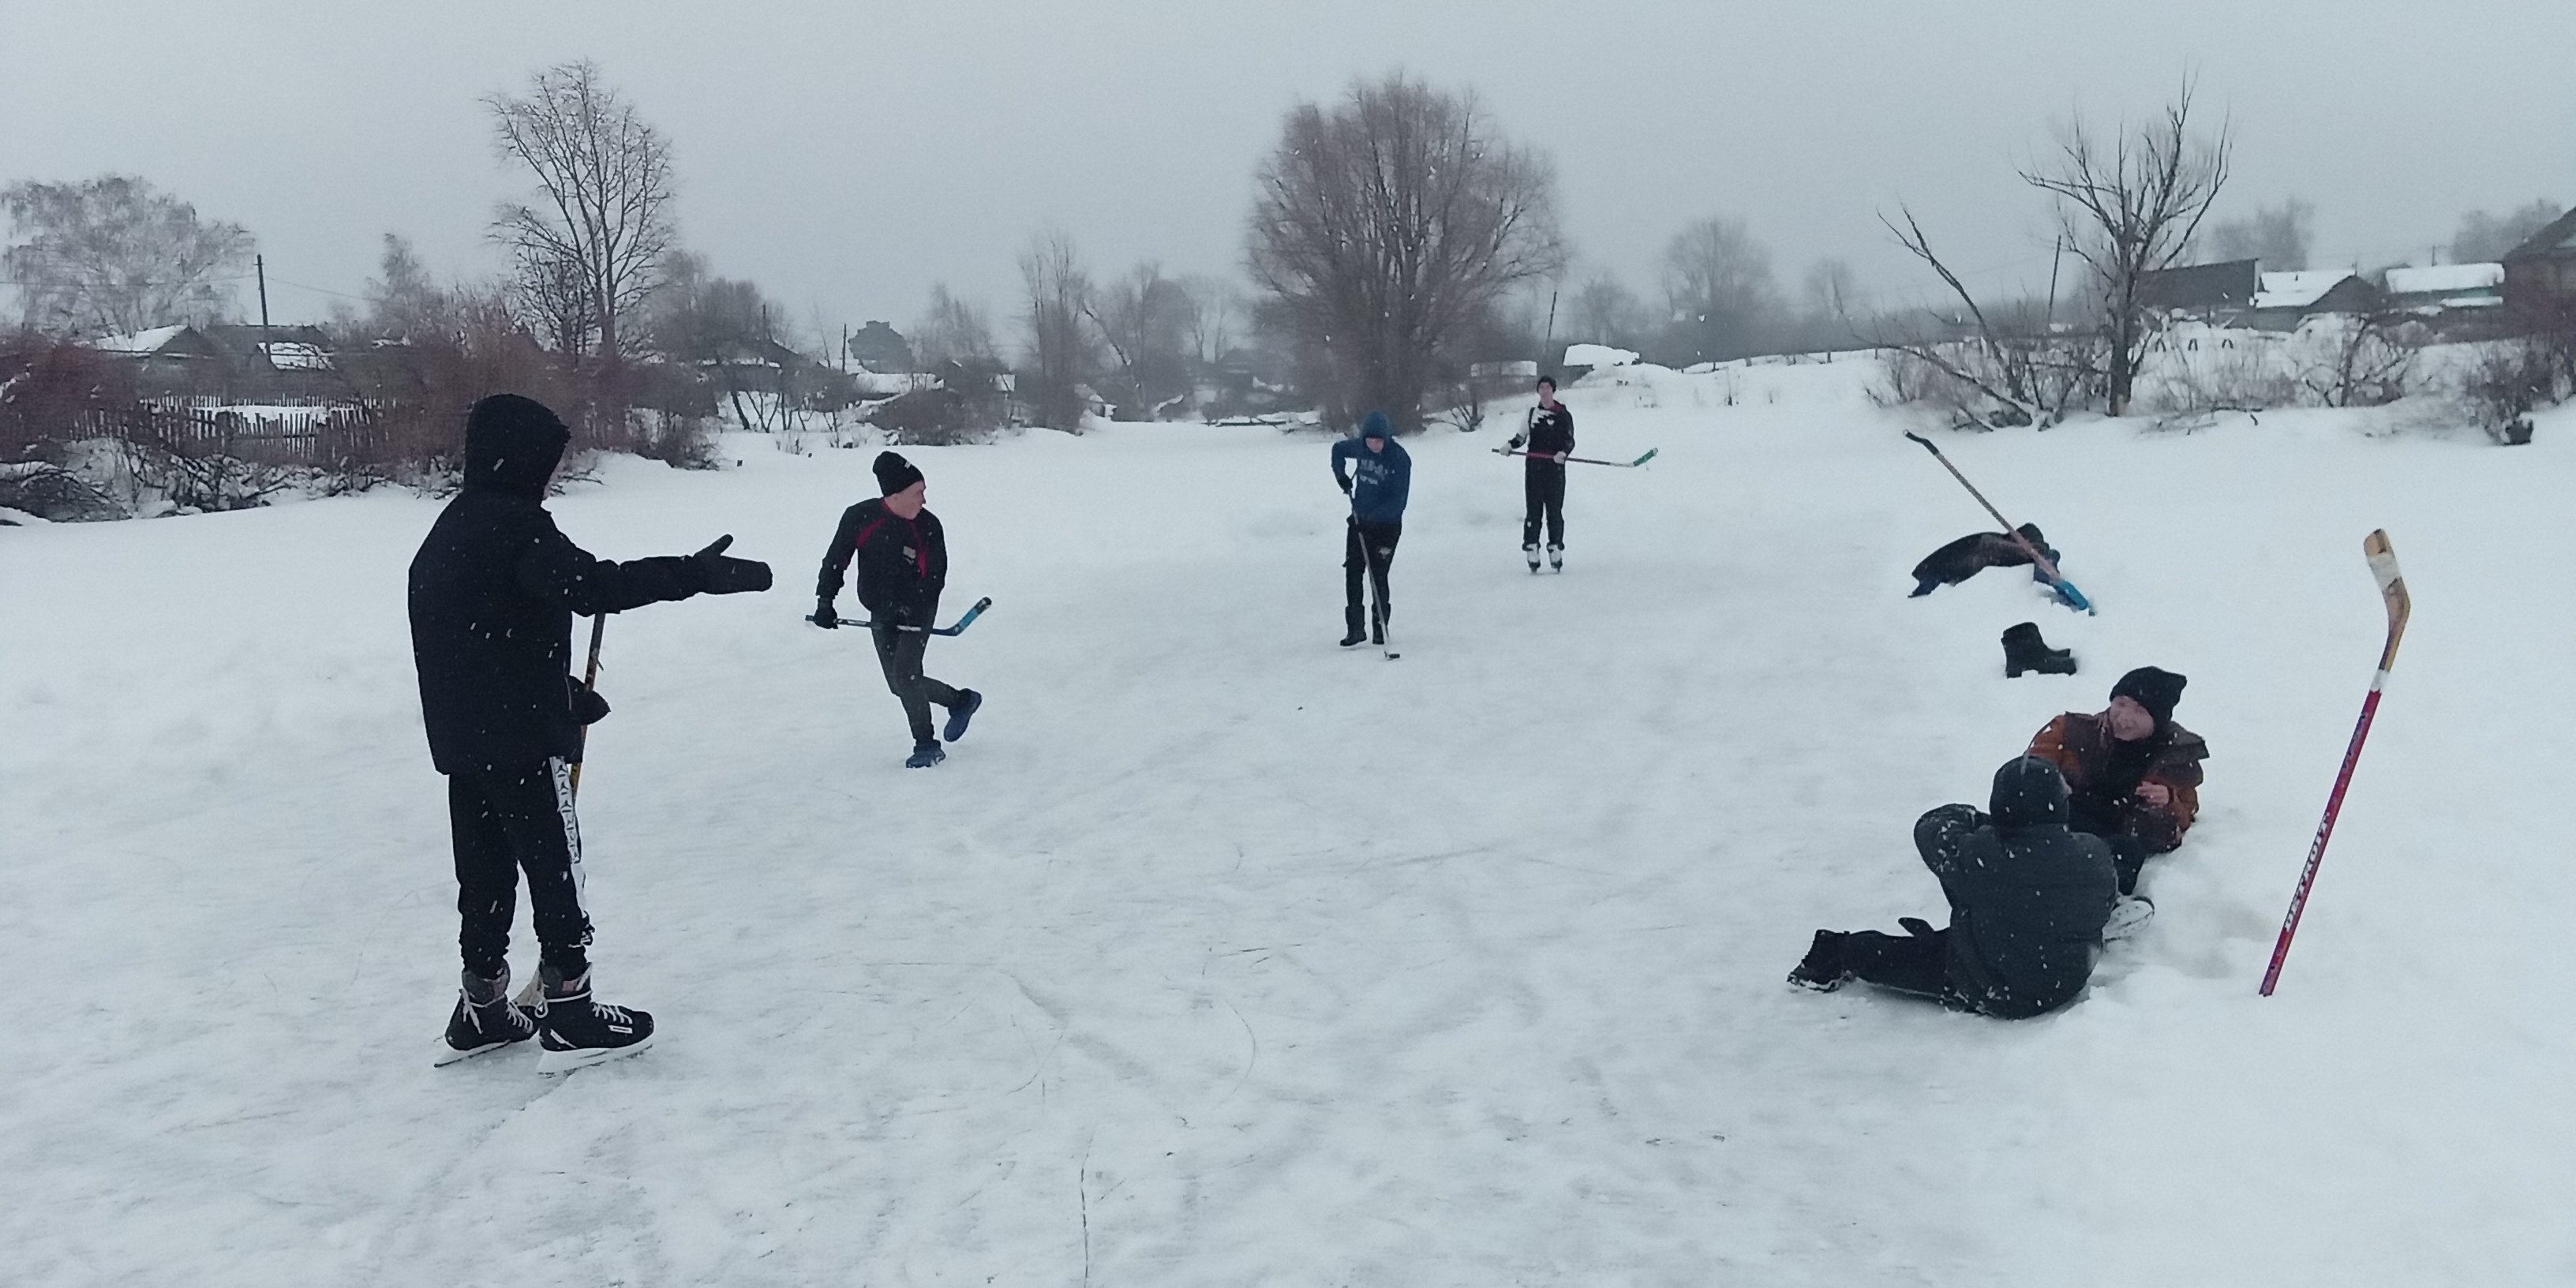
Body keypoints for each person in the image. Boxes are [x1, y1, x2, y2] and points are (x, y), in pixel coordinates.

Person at [410, 393, 773, 1071]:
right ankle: (570, 1007)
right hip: (518, 739)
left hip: (466, 739)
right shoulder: (518, 527)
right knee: (554, 864)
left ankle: (483, 1001)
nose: (549, 474)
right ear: (521, 458)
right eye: (546, 460)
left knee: (485, 867)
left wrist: (558, 689)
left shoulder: (451, 528)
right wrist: (694, 575)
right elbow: (593, 587)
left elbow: (474, 631)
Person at [1789, 756, 2118, 1018]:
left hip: (1997, 987)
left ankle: (1833, 956)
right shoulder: (2093, 853)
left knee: (1888, 954)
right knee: (2015, 906)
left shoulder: (1982, 855)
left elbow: (1932, 825)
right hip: (2065, 981)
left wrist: (1984, 822)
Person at [814, 451, 982, 769]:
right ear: (896, 495)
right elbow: (836, 560)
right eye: (918, 492)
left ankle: (926, 745)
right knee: (898, 684)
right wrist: (825, 601)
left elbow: (935, 578)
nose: (924, 500)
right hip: (881, 609)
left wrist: (908, 606)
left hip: (919, 608)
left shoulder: (929, 526)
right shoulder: (859, 517)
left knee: (905, 676)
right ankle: (961, 701)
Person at [2025, 666, 2208, 895]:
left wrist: (2168, 800)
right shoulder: (2070, 731)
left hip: (2111, 839)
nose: (2124, 718)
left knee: (2126, 853)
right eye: (2120, 704)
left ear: (2158, 719)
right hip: (2059, 821)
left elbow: (2181, 818)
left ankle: (2104, 905)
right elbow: (2026, 779)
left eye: (2140, 710)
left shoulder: (2174, 757)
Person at [1330, 410, 1411, 647]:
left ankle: (1380, 628)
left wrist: (1372, 519)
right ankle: (1355, 629)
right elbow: (1337, 450)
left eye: (1379, 440)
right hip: (1359, 522)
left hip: (1386, 528)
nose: (1374, 445)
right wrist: (1341, 477)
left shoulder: (1400, 459)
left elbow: (1398, 503)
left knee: (1378, 575)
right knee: (1353, 573)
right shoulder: (1360, 449)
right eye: (1370, 440)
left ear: (1387, 438)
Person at [1505, 374, 1573, 571]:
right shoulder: (1531, 414)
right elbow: (1520, 437)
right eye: (1541, 387)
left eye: (1548, 387)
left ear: (1553, 390)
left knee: (1554, 510)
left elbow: (1569, 440)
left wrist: (1563, 453)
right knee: (1533, 510)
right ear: (1538, 391)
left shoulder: (1563, 414)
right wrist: (1510, 445)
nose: (1544, 391)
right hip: (1534, 468)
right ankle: (1532, 547)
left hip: (1555, 468)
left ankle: (1555, 548)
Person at [1909, 522, 2060, 597]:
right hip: (1936, 571)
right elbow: (1987, 544)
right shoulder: (1995, 543)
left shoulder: (2006, 550)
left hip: (1941, 571)